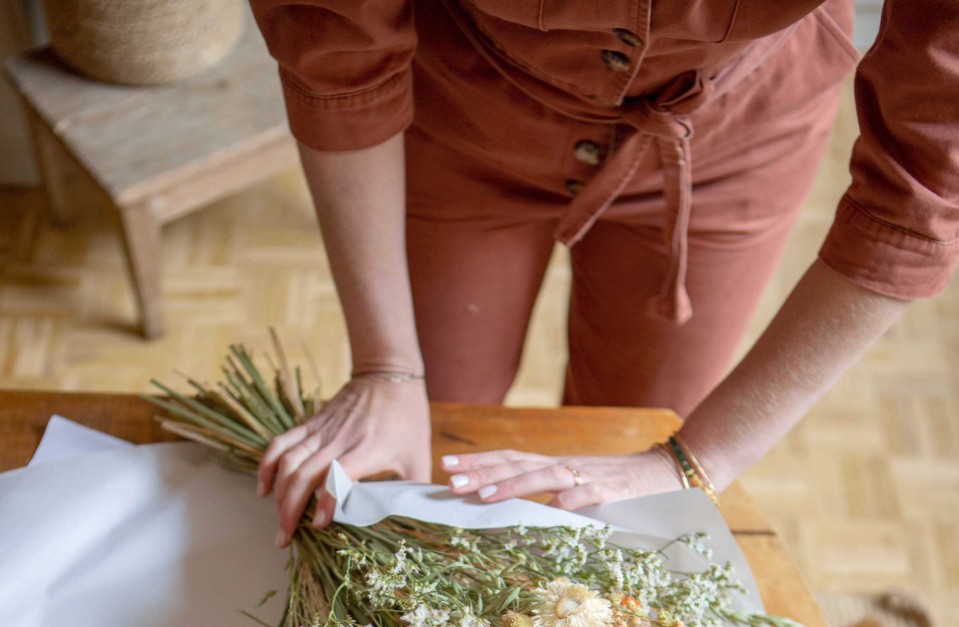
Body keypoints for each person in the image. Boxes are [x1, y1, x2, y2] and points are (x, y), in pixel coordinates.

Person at [249, 0, 959, 540]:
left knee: (634, 475)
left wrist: (692, 463)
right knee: (435, 440)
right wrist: (385, 366)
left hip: (734, 129)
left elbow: (924, 183)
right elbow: (332, 37)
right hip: (459, 107)